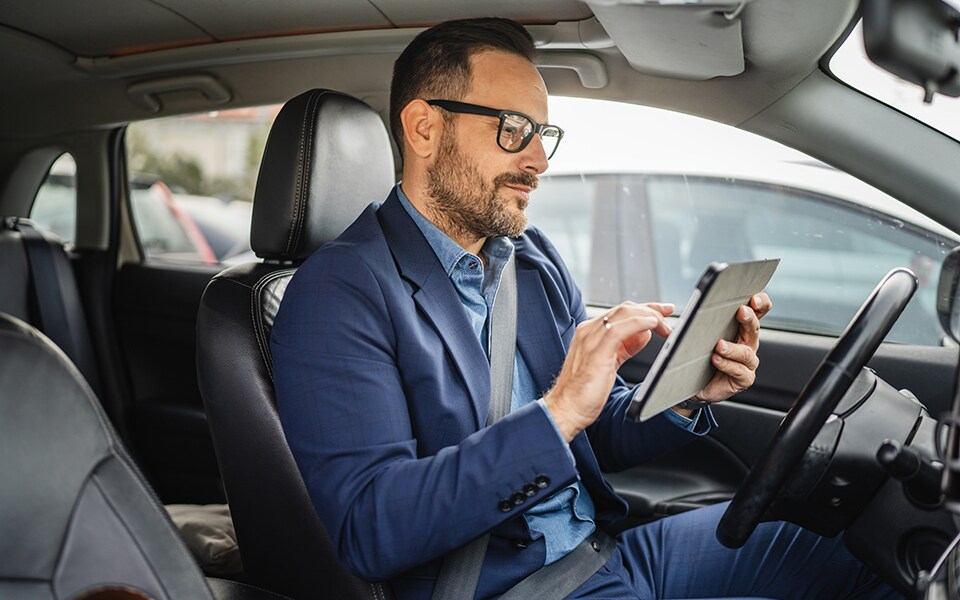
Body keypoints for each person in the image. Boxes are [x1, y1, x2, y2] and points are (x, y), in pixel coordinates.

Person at [270, 17, 900, 599]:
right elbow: (372, 527)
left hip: (608, 551)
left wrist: (683, 390)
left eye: (543, 134)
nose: (539, 160)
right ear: (425, 128)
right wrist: (559, 408)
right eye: (513, 129)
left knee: (861, 550)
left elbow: (591, 430)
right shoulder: (340, 294)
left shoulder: (527, 257)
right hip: (514, 586)